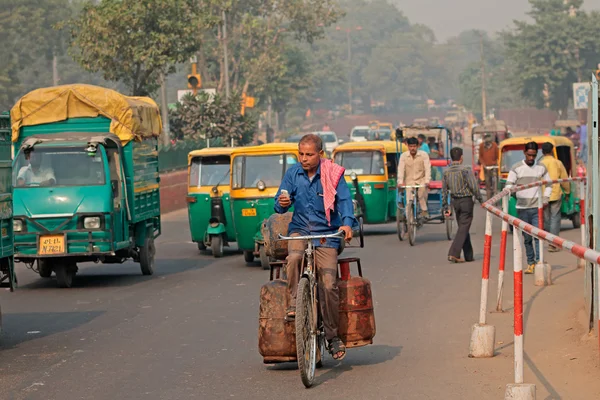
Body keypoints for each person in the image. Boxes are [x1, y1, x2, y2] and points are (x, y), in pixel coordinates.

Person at [274, 133, 356, 361]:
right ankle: (294, 304)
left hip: (326, 234)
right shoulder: (292, 174)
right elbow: (279, 205)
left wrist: (347, 224)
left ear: (320, 154)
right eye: (301, 154)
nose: (304, 158)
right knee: (293, 258)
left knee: (329, 285)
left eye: (309, 154)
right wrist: (282, 203)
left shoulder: (332, 174)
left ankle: (332, 336)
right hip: (300, 229)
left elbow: (345, 202)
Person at [505, 142, 552, 274]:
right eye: (529, 155)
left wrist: (546, 199)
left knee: (538, 236)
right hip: (522, 209)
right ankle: (530, 262)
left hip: (537, 208)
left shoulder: (541, 168)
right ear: (524, 153)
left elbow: (549, 184)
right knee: (527, 239)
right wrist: (513, 191)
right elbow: (508, 186)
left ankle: (539, 262)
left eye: (534, 155)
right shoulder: (516, 168)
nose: (531, 158)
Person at [442, 147, 483, 263]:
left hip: (455, 202)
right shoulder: (466, 169)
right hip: (466, 201)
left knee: (463, 227)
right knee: (464, 227)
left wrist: (445, 206)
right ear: (461, 158)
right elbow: (473, 186)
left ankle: (469, 255)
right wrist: (481, 199)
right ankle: (453, 253)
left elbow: (444, 191)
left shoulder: (446, 172)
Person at [539, 142, 570, 252]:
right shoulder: (557, 163)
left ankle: (549, 241)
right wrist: (567, 191)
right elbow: (565, 179)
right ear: (552, 151)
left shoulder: (539, 164)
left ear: (542, 152)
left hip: (543, 195)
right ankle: (554, 243)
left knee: (546, 218)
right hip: (555, 193)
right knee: (555, 218)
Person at [398, 137, 431, 218]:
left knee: (421, 195)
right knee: (408, 199)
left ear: (418, 146)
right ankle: (409, 219)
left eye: (414, 146)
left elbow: (427, 168)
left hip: (421, 180)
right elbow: (401, 169)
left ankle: (424, 210)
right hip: (409, 181)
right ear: (408, 146)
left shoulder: (423, 155)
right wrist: (400, 182)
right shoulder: (403, 156)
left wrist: (427, 181)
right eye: (411, 146)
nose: (412, 148)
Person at [478, 133, 499, 200]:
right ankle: (489, 199)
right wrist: (484, 164)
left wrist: (496, 164)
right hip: (486, 168)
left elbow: (497, 156)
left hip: (494, 167)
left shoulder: (494, 145)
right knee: (488, 184)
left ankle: (495, 194)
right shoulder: (481, 146)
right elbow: (480, 157)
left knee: (495, 182)